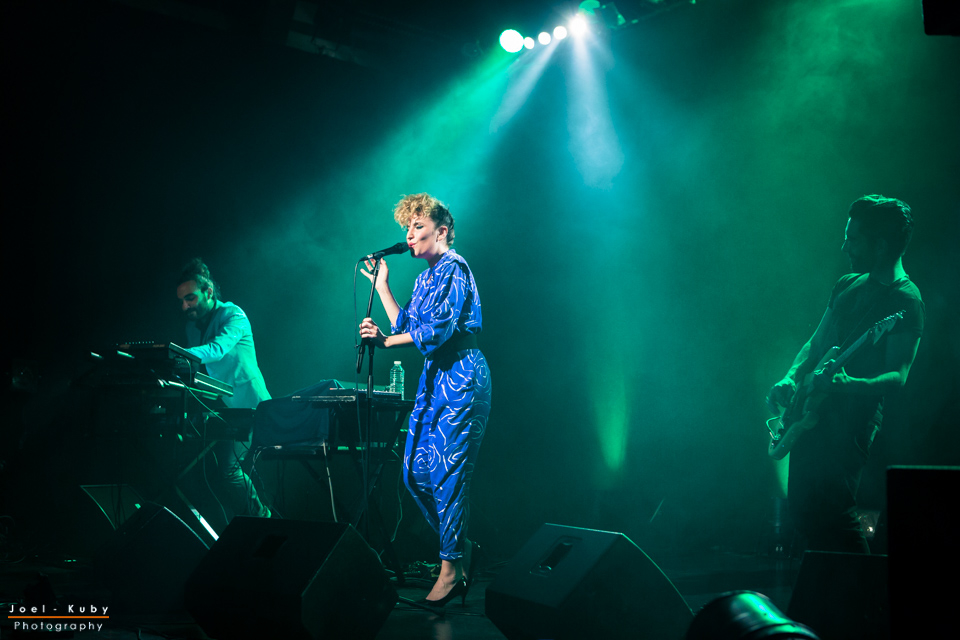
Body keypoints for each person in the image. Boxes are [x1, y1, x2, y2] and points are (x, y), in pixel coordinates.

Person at [767, 195, 923, 553]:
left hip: (851, 422)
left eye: (853, 239)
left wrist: (848, 384)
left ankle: (864, 587)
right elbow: (816, 342)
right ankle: (827, 587)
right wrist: (791, 376)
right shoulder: (847, 283)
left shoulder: (906, 300)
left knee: (835, 513)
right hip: (810, 412)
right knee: (804, 511)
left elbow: (898, 376)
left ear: (880, 245)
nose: (844, 246)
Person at [359, 193, 492, 606]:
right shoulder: (424, 279)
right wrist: (382, 287)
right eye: (407, 228)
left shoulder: (454, 267)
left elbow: (437, 331)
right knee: (415, 473)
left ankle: (450, 569)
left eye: (418, 227)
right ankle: (460, 548)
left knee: (448, 474)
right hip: (435, 378)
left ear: (442, 231)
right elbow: (406, 324)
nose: (409, 235)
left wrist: (385, 342)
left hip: (462, 374)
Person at [176, 258, 271, 520]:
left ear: (208, 292)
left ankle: (263, 519)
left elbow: (216, 349)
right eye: (181, 301)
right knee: (207, 471)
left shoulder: (233, 315)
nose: (185, 306)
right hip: (225, 411)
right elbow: (197, 369)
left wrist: (175, 354)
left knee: (229, 472)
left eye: (190, 299)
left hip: (253, 408)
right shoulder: (192, 326)